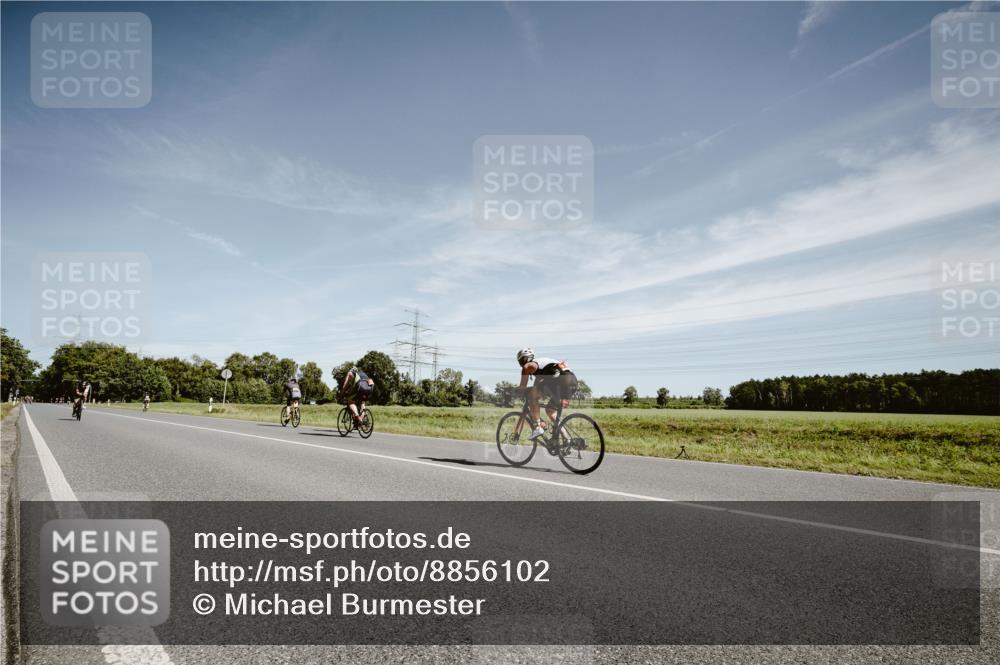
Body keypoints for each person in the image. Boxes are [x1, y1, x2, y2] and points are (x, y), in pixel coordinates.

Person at [515, 348, 578, 440]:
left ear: (523, 360)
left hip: (560, 380)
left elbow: (522, 387)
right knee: (550, 411)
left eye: (521, 361)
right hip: (572, 381)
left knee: (532, 396)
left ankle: (538, 427)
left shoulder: (528, 366)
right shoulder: (541, 367)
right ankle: (567, 438)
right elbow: (537, 387)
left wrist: (512, 389)